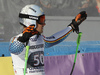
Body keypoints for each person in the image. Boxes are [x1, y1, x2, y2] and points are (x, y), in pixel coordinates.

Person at [9, 4, 87, 75]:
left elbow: (55, 39)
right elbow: (14, 49)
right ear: (31, 21)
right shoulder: (17, 39)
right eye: (41, 20)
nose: (44, 24)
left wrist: (72, 26)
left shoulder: (40, 39)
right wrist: (23, 39)